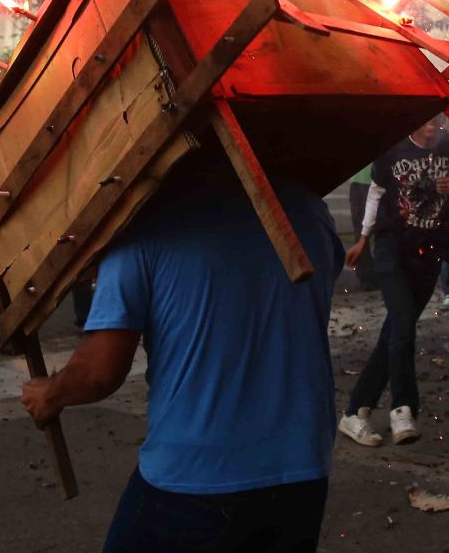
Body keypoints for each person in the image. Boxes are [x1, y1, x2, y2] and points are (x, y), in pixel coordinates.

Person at [19, 151, 344, 552]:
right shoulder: (307, 209)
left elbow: (100, 371)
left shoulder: (144, 224)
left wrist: (49, 394)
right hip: (303, 468)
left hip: (196, 479)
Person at [341, 114, 449, 447]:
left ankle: (354, 411)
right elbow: (375, 194)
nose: (430, 126)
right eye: (423, 120)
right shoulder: (392, 152)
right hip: (392, 250)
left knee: (395, 332)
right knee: (403, 326)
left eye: (436, 119)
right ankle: (403, 408)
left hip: (431, 252)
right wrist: (363, 238)